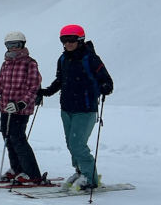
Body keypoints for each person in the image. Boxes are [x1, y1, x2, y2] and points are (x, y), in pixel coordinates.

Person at [39, 24, 113, 191]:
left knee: (78, 144)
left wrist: (106, 86)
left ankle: (90, 178)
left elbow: (105, 78)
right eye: (64, 40)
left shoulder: (91, 58)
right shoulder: (63, 59)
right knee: (70, 144)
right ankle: (80, 171)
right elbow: (60, 80)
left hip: (85, 108)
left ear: (80, 40)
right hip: (67, 107)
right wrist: (47, 92)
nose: (67, 43)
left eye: (71, 40)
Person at [0, 31, 42, 183]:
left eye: (15, 45)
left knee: (18, 139)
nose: (12, 48)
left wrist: (22, 103)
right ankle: (17, 168)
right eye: (8, 45)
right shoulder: (6, 64)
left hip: (21, 110)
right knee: (7, 137)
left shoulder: (30, 63)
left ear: (22, 45)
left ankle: (32, 173)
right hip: (5, 108)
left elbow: (33, 87)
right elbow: (1, 85)